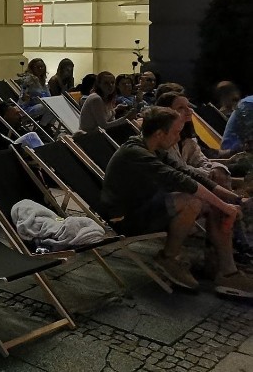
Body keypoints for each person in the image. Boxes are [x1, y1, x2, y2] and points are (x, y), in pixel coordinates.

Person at [100, 107, 251, 297]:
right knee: (192, 202)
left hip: (144, 207)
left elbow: (190, 174)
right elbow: (184, 182)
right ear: (159, 133)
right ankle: (168, 258)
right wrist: (226, 206)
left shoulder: (151, 148)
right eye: (176, 132)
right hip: (124, 219)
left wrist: (235, 199)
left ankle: (227, 271)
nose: (179, 138)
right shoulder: (136, 154)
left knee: (211, 203)